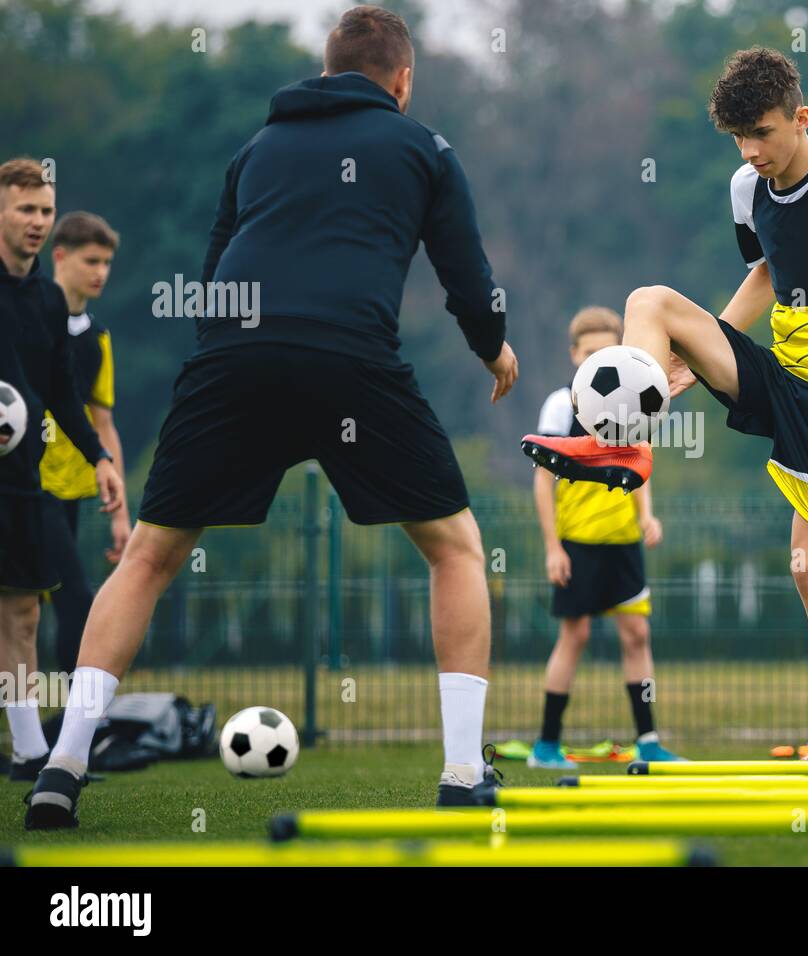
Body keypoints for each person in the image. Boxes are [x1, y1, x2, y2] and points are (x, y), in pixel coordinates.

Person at [25, 5, 517, 829]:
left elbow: (217, 270)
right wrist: (491, 346)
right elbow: (465, 270)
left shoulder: (257, 147)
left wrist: (226, 364)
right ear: (402, 80)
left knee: (148, 554)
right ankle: (465, 774)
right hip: (350, 357)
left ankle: (61, 767)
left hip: (233, 361)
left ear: (326, 73)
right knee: (456, 548)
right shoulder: (423, 146)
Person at [523, 47, 808, 761]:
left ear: (801, 117)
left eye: (762, 133)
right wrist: (710, 351)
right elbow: (765, 272)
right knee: (650, 302)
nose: (751, 151)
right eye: (738, 138)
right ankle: (620, 444)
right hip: (783, 375)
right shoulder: (745, 187)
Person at [0, 158, 125, 784]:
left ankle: (28, 753)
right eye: (25, 209)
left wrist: (99, 458)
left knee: (22, 613)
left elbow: (63, 392)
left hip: (22, 476)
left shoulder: (47, 301)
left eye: (45, 211)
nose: (38, 222)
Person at [529, 306, 681, 769]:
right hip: (578, 543)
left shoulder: (634, 400)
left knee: (637, 635)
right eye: (590, 351)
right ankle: (546, 746)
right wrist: (552, 548)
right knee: (574, 636)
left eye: (608, 350)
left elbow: (641, 462)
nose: (598, 357)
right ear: (575, 354)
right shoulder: (561, 404)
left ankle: (649, 741)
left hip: (623, 542)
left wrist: (647, 516)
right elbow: (542, 481)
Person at [40, 212, 131, 675]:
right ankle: (67, 722)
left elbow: (104, 421)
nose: (101, 272)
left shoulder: (98, 338)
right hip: (28, 485)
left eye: (107, 262)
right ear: (60, 257)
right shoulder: (28, 318)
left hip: (74, 489)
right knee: (72, 597)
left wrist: (120, 512)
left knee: (44, 603)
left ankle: (50, 729)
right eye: (91, 260)